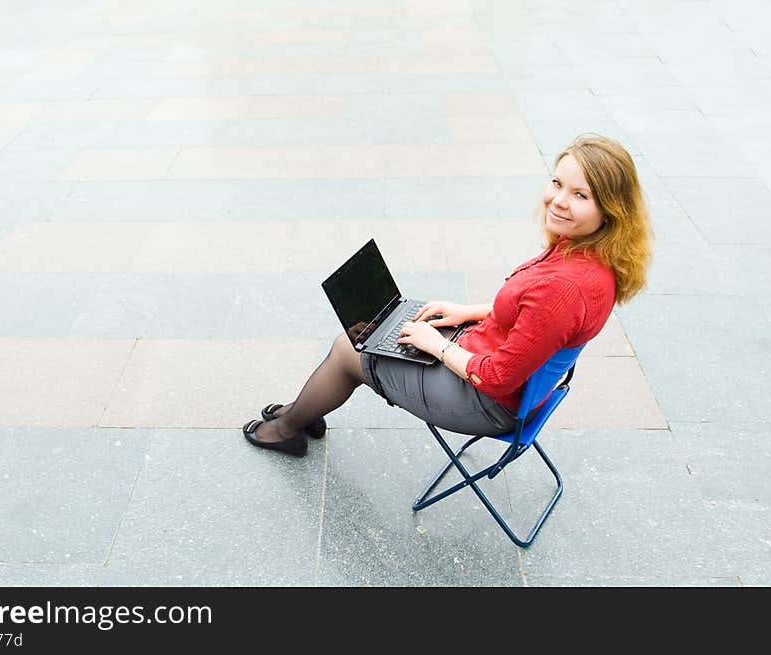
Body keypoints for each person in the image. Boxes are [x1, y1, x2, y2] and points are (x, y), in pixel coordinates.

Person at [242, 134, 654, 456]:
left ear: (610, 209)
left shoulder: (564, 287)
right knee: (380, 331)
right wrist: (466, 312)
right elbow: (537, 322)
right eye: (557, 183)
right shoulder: (594, 256)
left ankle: (287, 430)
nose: (558, 201)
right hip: (499, 365)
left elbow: (497, 376)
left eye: (580, 195)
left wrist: (436, 347)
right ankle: (306, 411)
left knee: (352, 348)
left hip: (487, 400)